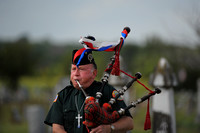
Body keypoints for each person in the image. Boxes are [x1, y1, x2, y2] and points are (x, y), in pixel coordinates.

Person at [44, 48, 133, 133]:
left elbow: (129, 122)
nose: (76, 74)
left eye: (81, 69)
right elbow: (56, 128)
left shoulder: (107, 91)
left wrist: (110, 128)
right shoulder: (63, 95)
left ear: (94, 73)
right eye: (73, 69)